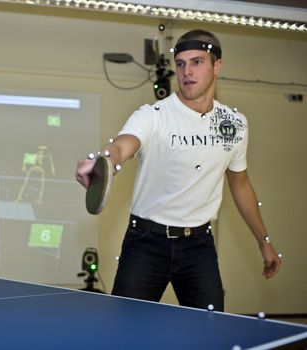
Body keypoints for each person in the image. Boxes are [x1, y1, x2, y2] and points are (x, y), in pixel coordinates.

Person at [75, 29, 282, 311]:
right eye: (181, 63)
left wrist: (264, 241)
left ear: (217, 65)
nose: (187, 71)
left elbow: (241, 184)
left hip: (199, 245)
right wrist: (104, 160)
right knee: (123, 332)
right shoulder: (154, 115)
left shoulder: (234, 123)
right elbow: (123, 145)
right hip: (145, 242)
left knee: (209, 332)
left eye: (197, 62)